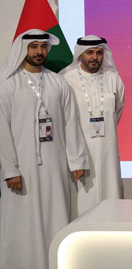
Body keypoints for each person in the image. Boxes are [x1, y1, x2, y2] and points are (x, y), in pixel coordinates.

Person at [0, 29, 88, 269]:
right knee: (23, 218)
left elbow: (71, 123)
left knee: (55, 214)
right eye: (34, 47)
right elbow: (2, 130)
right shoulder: (8, 85)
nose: (39, 52)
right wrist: (10, 169)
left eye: (43, 47)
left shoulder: (58, 82)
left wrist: (77, 161)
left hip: (55, 166)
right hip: (22, 168)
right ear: (23, 49)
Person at [60, 35, 125, 217]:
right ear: (80, 54)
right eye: (89, 52)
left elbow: (118, 111)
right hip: (80, 154)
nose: (94, 57)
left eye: (99, 52)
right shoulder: (66, 80)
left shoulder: (113, 79)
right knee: (82, 205)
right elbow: (64, 120)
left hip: (108, 152)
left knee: (110, 200)